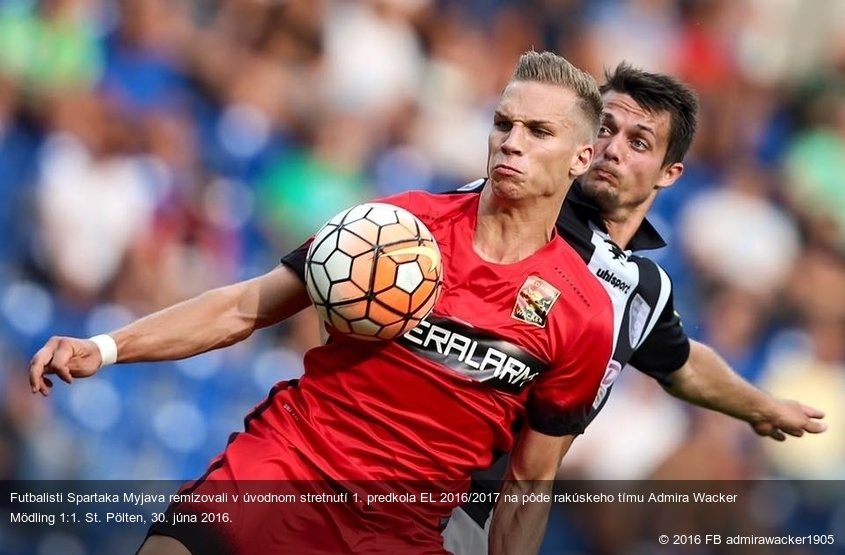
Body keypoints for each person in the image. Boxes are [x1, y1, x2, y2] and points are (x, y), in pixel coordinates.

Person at [29, 51, 616, 555]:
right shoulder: (397, 226)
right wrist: (105, 347)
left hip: (398, 529)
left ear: (582, 158)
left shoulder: (582, 314)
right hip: (288, 466)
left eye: (539, 132)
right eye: (503, 123)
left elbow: (528, 482)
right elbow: (243, 307)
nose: (511, 143)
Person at [434, 63, 828, 555]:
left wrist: (762, 407)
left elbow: (680, 364)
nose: (613, 150)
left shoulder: (642, 286)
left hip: (493, 513)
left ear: (670, 173)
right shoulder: (510, 212)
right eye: (604, 129)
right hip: (415, 489)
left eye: (639, 142)